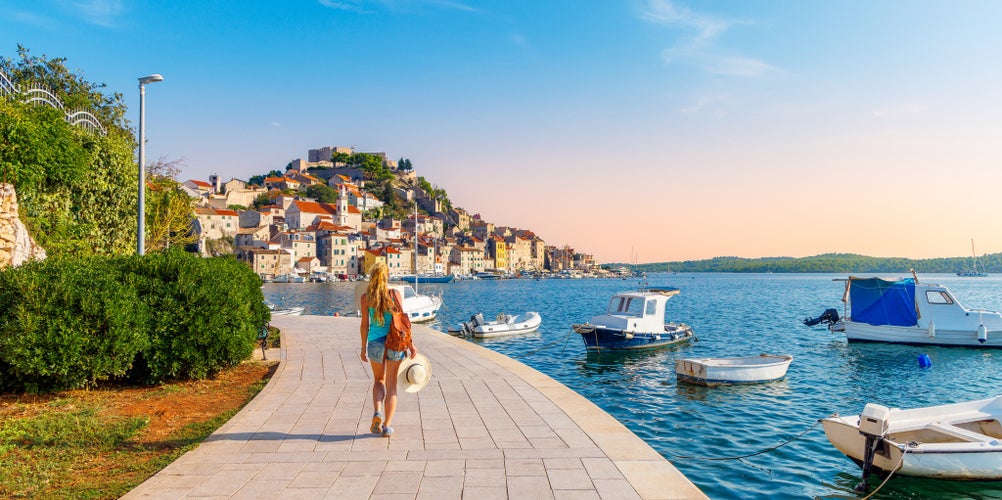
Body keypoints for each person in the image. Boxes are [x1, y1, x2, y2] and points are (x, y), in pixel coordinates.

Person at [359, 262, 418, 437]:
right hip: (394, 343)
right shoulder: (395, 295)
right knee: (392, 386)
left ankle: (377, 411)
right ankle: (387, 426)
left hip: (375, 342)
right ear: (387, 277)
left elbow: (364, 325)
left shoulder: (366, 298)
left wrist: (363, 347)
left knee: (379, 381)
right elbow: (403, 323)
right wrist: (411, 344)